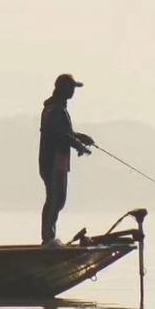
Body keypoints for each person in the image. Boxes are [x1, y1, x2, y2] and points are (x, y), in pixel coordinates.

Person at [39, 73, 95, 245]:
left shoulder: (56, 108)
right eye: (71, 88)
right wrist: (79, 146)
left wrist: (81, 138)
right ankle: (48, 239)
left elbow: (65, 133)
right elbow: (62, 136)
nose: (73, 91)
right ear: (63, 89)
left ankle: (49, 236)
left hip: (54, 160)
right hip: (53, 161)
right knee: (56, 198)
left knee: (56, 199)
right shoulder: (56, 110)